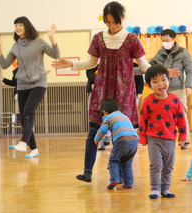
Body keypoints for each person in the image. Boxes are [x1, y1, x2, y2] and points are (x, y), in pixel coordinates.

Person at [51, 1, 154, 182]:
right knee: (94, 130)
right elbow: (91, 63)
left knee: (121, 134)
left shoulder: (131, 39)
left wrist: (158, 71)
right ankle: (87, 172)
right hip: (102, 89)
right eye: (107, 21)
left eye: (115, 21)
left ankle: (120, 175)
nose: (111, 25)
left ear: (122, 18)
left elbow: (143, 63)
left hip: (124, 92)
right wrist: (71, 64)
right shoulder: (98, 38)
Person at [0, 16, 60, 158]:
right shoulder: (16, 45)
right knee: (24, 116)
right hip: (22, 84)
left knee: (29, 110)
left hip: (39, 83)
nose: (17, 27)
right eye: (15, 25)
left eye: (20, 25)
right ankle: (34, 150)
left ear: (26, 26)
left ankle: (23, 142)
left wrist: (52, 38)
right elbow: (5, 65)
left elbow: (55, 55)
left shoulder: (38, 41)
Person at [139, 64, 187, 199]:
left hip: (170, 139)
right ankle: (155, 188)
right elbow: (143, 120)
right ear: (149, 85)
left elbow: (181, 120)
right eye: (155, 81)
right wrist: (143, 137)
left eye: (163, 79)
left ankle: (165, 189)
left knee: (168, 166)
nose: (161, 84)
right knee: (156, 165)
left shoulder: (175, 100)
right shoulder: (148, 101)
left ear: (168, 80)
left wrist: (183, 136)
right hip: (154, 139)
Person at [149, 29, 192, 149]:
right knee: (163, 115)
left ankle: (185, 140)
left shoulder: (183, 53)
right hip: (162, 90)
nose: (165, 43)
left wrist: (189, 86)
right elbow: (148, 67)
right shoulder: (159, 53)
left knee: (182, 114)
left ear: (174, 39)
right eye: (163, 41)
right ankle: (165, 138)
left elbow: (190, 70)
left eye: (167, 40)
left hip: (178, 88)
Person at [94, 99, 138, 189]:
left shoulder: (108, 117)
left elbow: (103, 129)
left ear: (104, 112)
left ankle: (114, 179)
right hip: (134, 141)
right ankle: (129, 183)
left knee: (113, 161)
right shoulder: (124, 116)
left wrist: (97, 138)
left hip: (121, 141)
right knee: (127, 163)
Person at [85, 64, 112, 151]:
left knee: (107, 114)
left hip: (108, 91)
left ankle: (107, 136)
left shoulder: (110, 62)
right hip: (94, 92)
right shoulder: (92, 64)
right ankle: (100, 141)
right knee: (95, 116)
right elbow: (89, 74)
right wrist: (99, 81)